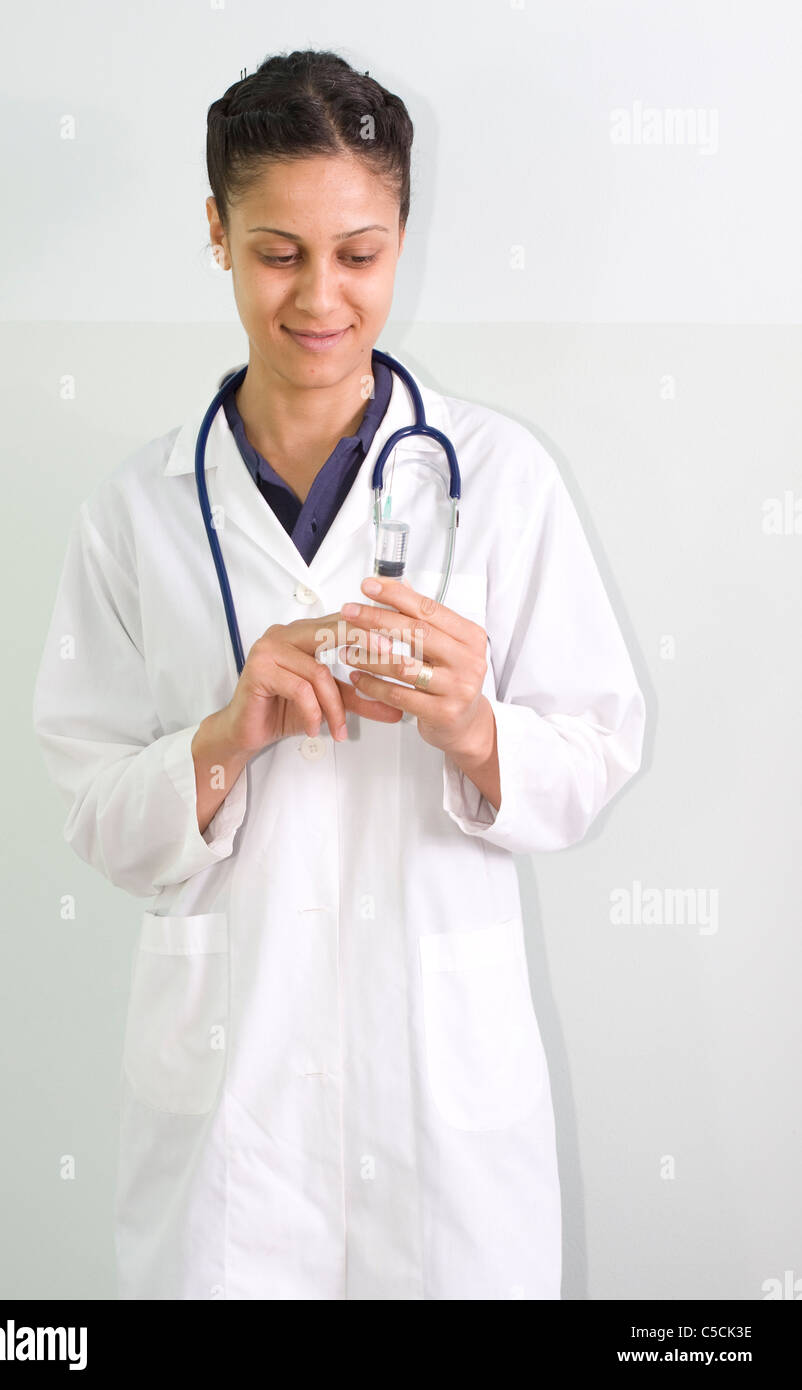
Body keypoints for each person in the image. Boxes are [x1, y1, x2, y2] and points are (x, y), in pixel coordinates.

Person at [32, 48, 646, 1300]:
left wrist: (477, 733)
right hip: (231, 1130)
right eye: (276, 252)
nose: (320, 297)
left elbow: (595, 747)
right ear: (214, 232)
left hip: (445, 1125)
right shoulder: (135, 512)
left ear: (404, 238)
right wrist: (225, 733)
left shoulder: (503, 477)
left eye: (359, 254)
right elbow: (94, 809)